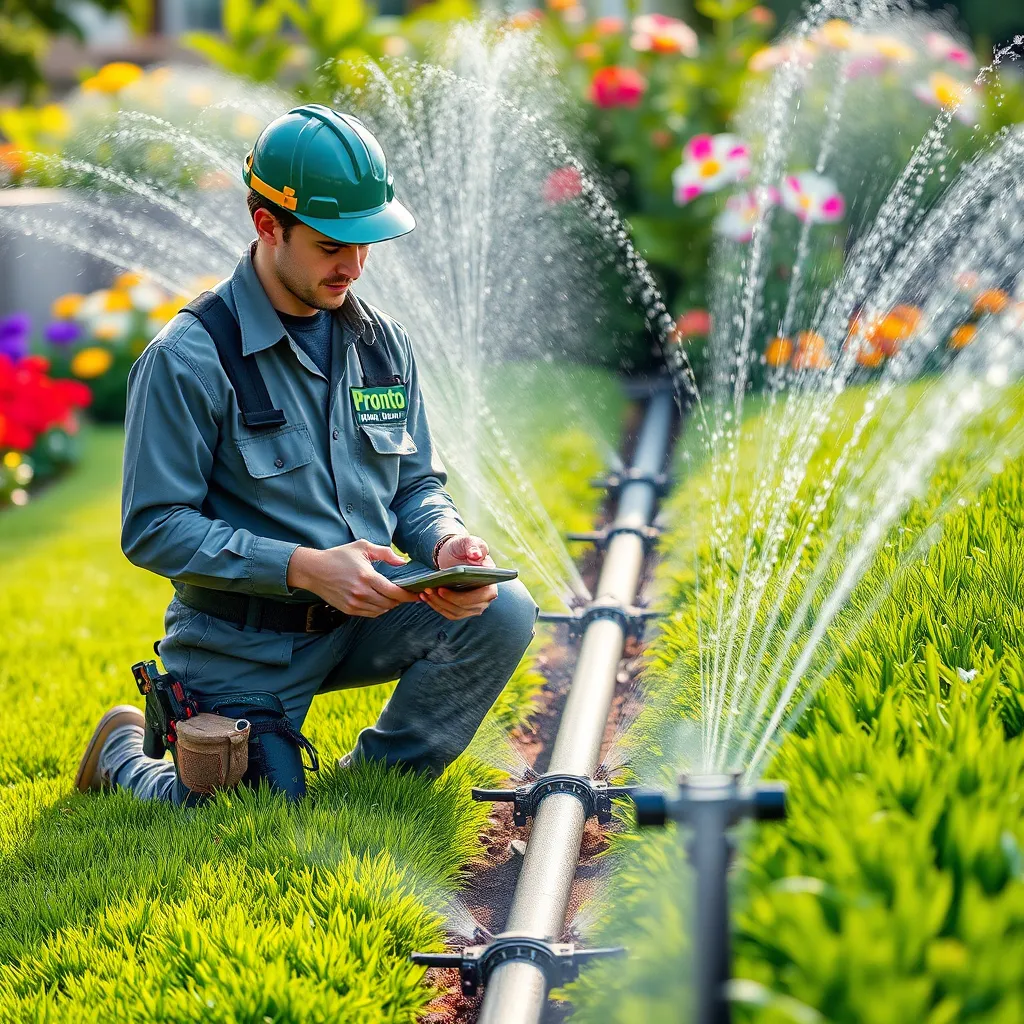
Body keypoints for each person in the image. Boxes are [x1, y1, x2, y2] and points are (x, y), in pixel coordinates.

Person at [74, 104, 538, 804]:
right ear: (268, 225)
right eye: (331, 245)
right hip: (242, 642)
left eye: (365, 243)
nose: (353, 265)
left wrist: (443, 542)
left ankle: (375, 783)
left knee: (504, 610)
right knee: (244, 805)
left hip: (363, 617)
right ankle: (122, 757)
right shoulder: (188, 359)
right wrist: (303, 568)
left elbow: (413, 485)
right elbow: (152, 527)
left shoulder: (384, 346)